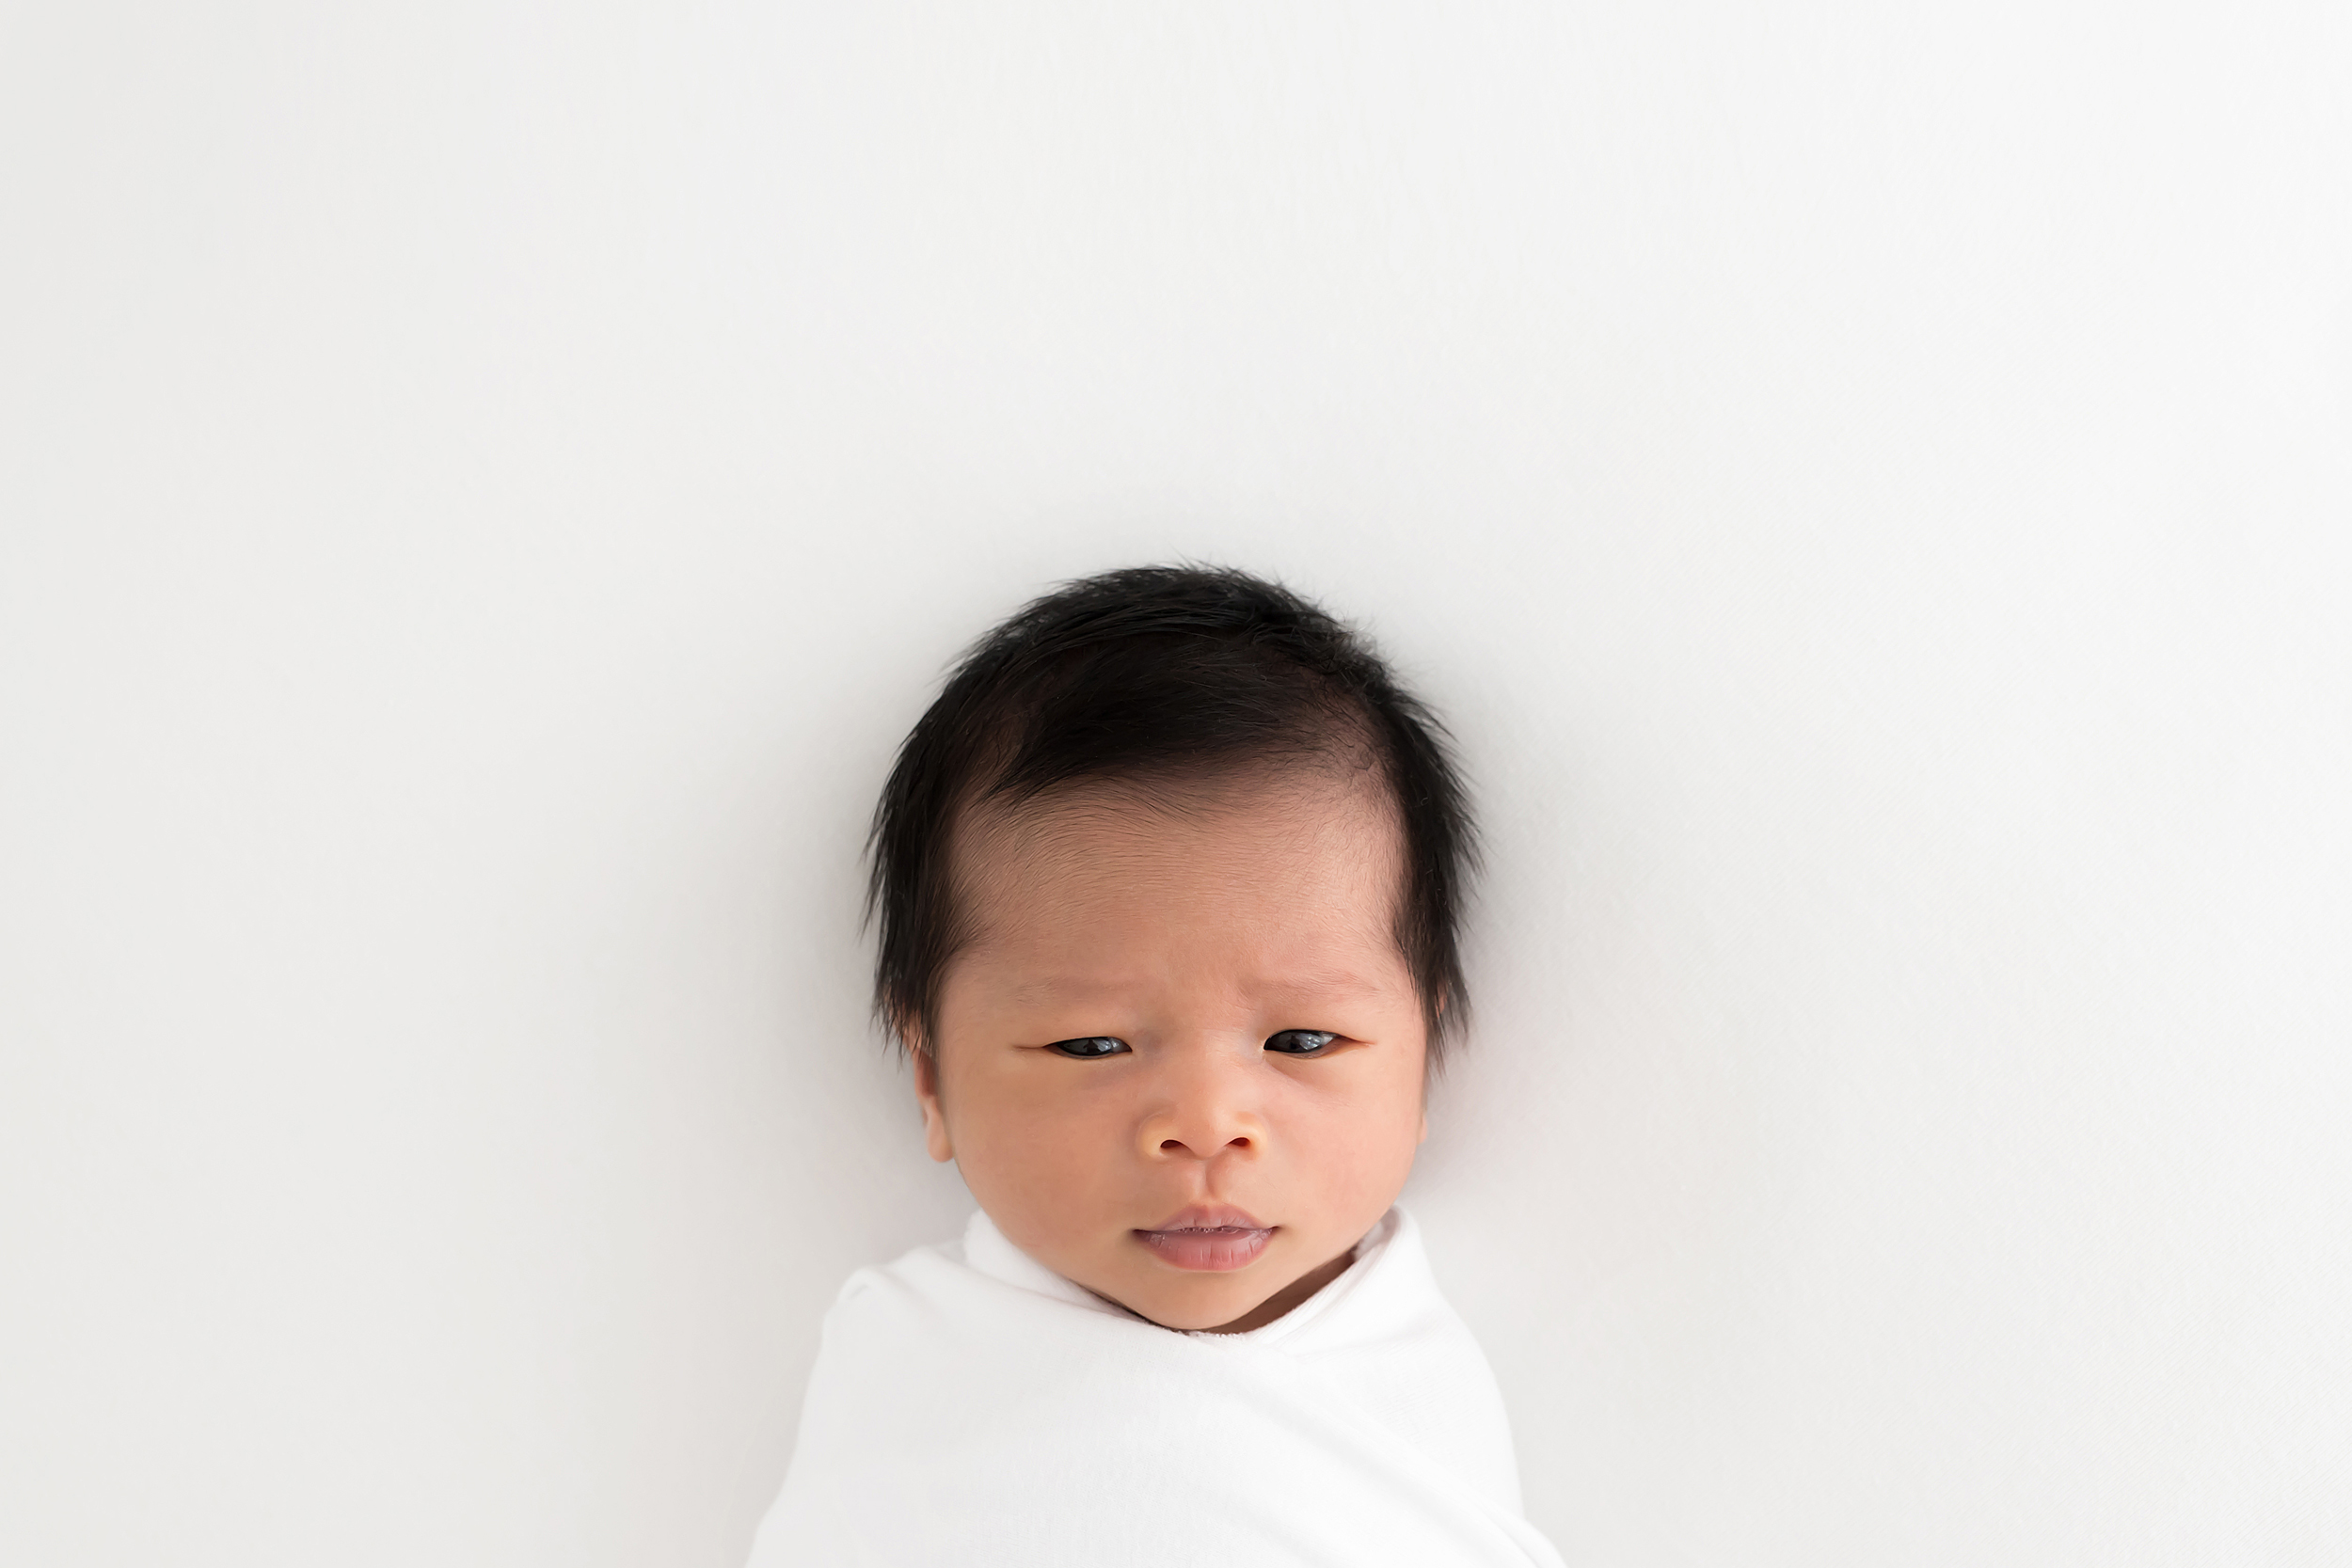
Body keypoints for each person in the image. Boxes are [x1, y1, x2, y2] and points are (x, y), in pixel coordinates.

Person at [746, 564, 1564, 1566]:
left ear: (1423, 1058)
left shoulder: (1420, 1391)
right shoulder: (905, 1354)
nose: (1208, 1122)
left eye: (1301, 1041)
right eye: (1091, 1044)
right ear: (929, 1074)